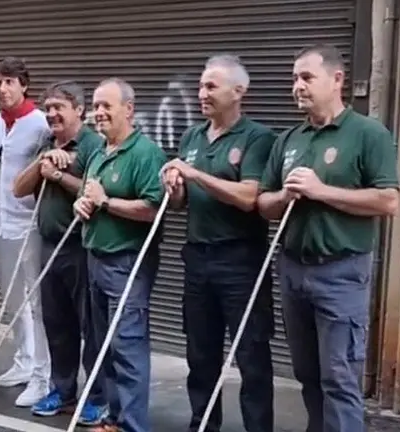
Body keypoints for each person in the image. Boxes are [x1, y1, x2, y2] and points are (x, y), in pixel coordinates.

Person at [257, 44, 399, 432]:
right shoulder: (289, 140)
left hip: (341, 272)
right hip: (293, 269)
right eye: (293, 79)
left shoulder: (368, 133)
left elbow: (388, 201)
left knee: (339, 378)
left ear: (337, 80)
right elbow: (263, 204)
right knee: (308, 373)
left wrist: (322, 191)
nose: (297, 87)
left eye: (306, 78)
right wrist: (284, 196)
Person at [161, 54, 276, 432]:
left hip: (241, 260)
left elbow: (249, 197)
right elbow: (180, 204)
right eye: (199, 86)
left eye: (211, 86)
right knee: (201, 354)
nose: (201, 93)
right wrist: (175, 188)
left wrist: (194, 173)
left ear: (238, 91)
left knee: (251, 355)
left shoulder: (258, 138)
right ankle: (203, 425)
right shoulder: (192, 136)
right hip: (198, 257)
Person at [73, 77, 166, 432]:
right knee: (103, 346)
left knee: (127, 347)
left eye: (106, 106)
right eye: (95, 106)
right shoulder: (99, 152)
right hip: (95, 259)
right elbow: (90, 198)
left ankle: (132, 425)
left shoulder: (146, 153)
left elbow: (154, 209)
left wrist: (106, 202)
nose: (99, 113)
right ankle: (114, 419)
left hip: (126, 262)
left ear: (129, 109)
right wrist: (83, 206)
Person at [12, 80, 106, 425]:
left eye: (58, 108)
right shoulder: (45, 143)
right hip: (48, 246)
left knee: (91, 327)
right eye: (47, 108)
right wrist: (42, 164)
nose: (51, 114)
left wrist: (60, 174)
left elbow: (99, 195)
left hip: (83, 248)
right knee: (57, 325)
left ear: (79, 110)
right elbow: (18, 188)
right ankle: (63, 391)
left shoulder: (95, 144)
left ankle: (98, 396)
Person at [0, 56, 51, 407]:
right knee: (14, 301)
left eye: (9, 82)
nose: (2, 89)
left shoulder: (40, 123)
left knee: (39, 303)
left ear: (23, 84)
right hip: (1, 223)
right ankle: (24, 361)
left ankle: (43, 375)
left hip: (33, 226)